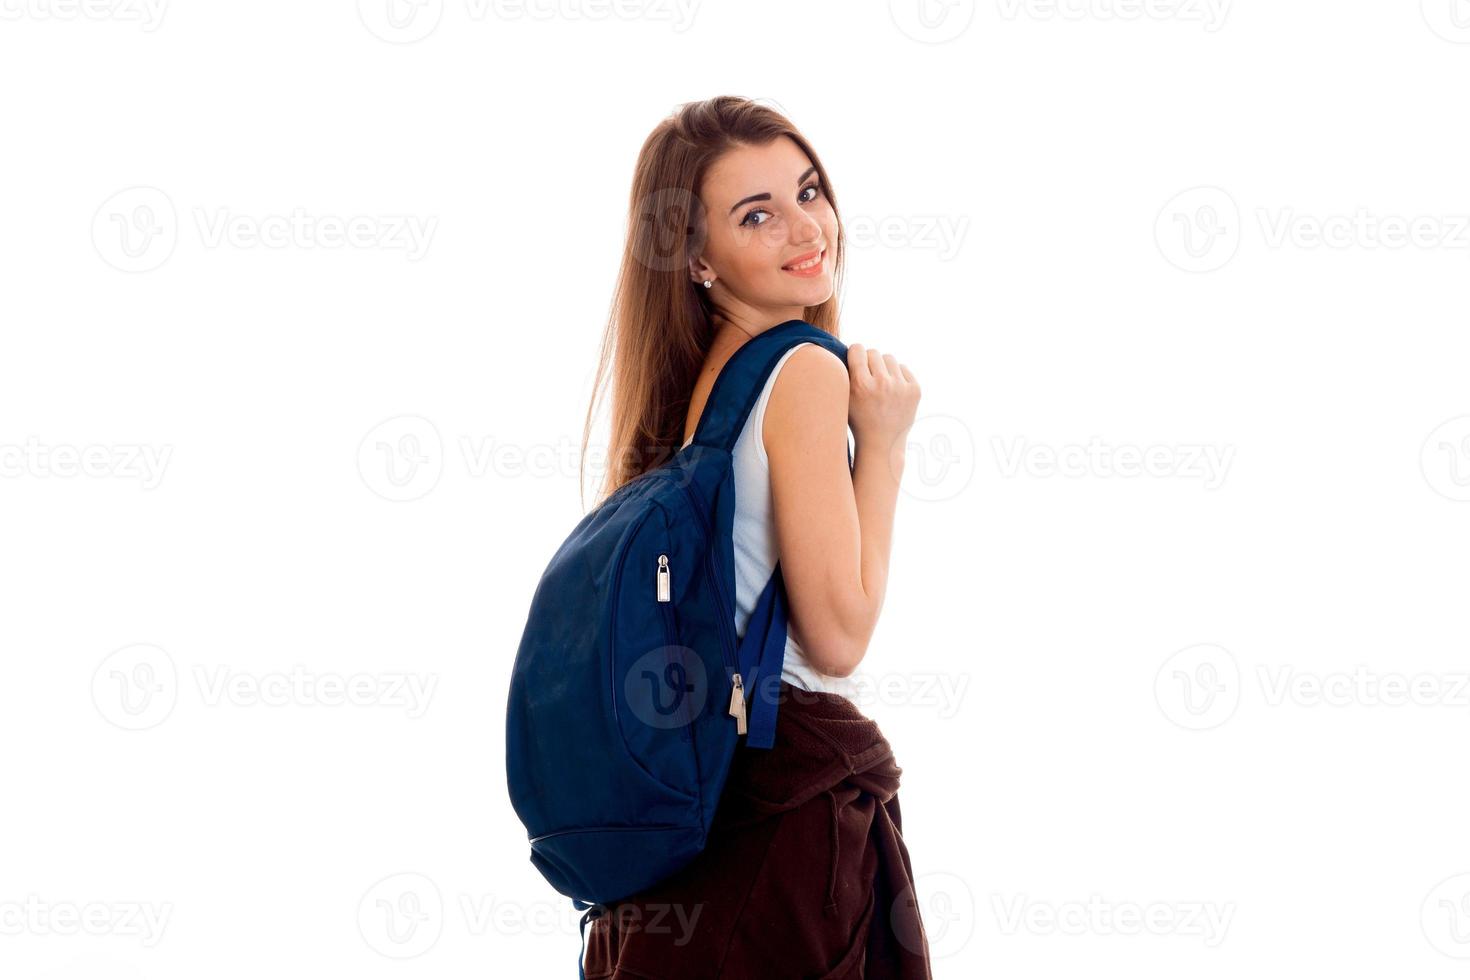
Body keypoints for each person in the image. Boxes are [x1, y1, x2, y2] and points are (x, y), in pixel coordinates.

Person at [579, 95, 931, 979]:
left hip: (695, 826)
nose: (807, 227)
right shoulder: (803, 371)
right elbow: (838, 635)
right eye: (757, 214)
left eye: (810, 191)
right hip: (780, 814)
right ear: (697, 258)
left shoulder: (698, 400)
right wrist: (882, 444)